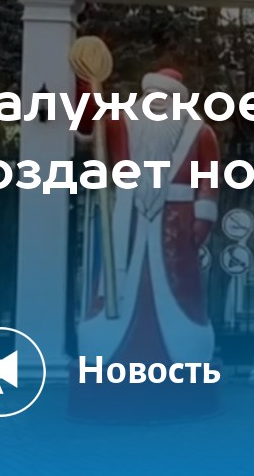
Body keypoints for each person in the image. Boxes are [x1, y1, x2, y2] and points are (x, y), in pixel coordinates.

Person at [74, 66, 220, 366]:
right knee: (119, 279)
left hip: (177, 222)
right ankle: (107, 340)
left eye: (164, 96)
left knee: (180, 283)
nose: (156, 102)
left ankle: (185, 343)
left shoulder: (200, 133)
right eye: (151, 95)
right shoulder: (119, 121)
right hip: (127, 219)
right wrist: (86, 84)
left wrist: (203, 215)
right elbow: (88, 127)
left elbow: (209, 176)